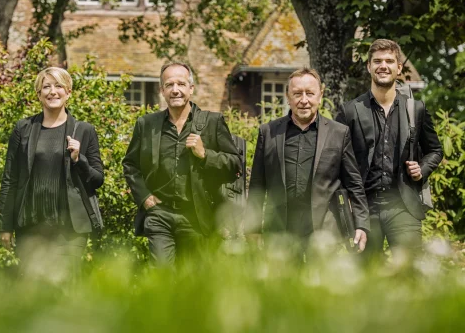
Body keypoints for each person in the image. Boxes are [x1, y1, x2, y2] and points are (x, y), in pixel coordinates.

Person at [122, 62, 242, 267]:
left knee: (192, 281)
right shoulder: (146, 124)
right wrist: (144, 197)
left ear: (191, 88)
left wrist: (205, 155)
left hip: (197, 216)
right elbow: (130, 164)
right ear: (162, 90)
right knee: (162, 276)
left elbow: (234, 166)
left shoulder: (212, 122)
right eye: (169, 85)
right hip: (160, 214)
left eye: (181, 84)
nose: (175, 90)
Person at [336, 39, 443, 263]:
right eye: (377, 61)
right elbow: (336, 159)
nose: (383, 65)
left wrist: (421, 168)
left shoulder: (416, 109)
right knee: (364, 277)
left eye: (389, 61)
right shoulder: (350, 111)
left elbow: (435, 149)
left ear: (398, 68)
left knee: (409, 274)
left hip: (403, 206)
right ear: (369, 66)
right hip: (363, 209)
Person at [246, 68, 369, 258]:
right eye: (297, 94)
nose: (304, 100)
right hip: (280, 231)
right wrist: (252, 228)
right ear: (288, 97)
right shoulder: (268, 132)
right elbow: (257, 185)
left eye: (310, 93)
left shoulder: (339, 133)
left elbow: (354, 184)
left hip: (325, 232)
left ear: (320, 96)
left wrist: (361, 224)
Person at [0, 67, 104, 278]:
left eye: (58, 86)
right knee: (32, 291)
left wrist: (78, 159)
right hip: (31, 226)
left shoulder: (84, 130)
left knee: (65, 290)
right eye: (46, 87)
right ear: (38, 94)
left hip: (70, 230)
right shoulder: (23, 128)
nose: (52, 92)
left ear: (69, 92)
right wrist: (5, 226)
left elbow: (97, 179)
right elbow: (10, 179)